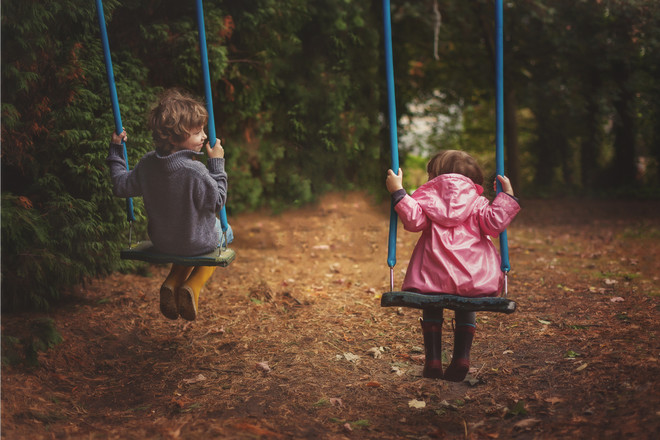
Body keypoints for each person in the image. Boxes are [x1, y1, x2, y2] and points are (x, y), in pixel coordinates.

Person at [385, 150, 520, 381]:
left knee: (431, 305)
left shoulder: (426, 199)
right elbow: (494, 224)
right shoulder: (478, 203)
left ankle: (434, 361)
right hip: (473, 278)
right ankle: (461, 358)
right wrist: (507, 196)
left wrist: (398, 192)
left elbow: (414, 220)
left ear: (434, 176)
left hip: (432, 277)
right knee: (467, 304)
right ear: (472, 179)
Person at [107, 88, 233, 322]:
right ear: (174, 138)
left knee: (185, 242)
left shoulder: (147, 165)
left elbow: (120, 186)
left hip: (163, 242)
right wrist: (216, 163)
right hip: (197, 242)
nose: (204, 136)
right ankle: (192, 287)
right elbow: (217, 202)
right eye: (197, 132)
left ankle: (172, 282)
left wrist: (116, 150)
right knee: (226, 231)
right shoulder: (196, 171)